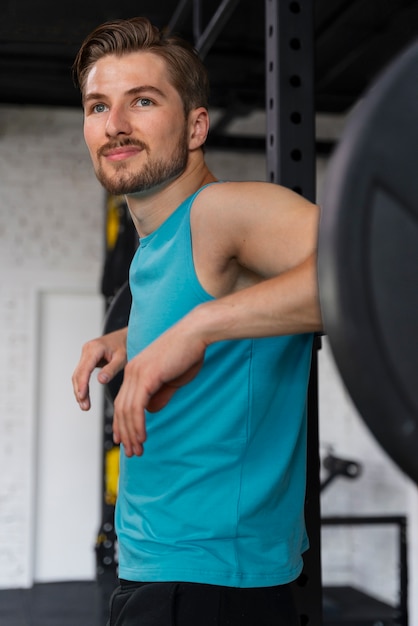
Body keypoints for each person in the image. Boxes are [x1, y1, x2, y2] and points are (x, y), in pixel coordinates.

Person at [71, 16, 322, 626]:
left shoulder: (220, 210)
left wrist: (197, 327)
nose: (116, 124)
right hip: (162, 572)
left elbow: (372, 272)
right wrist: (136, 338)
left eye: (144, 101)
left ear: (196, 125)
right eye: (98, 105)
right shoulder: (159, 245)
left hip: (208, 587)